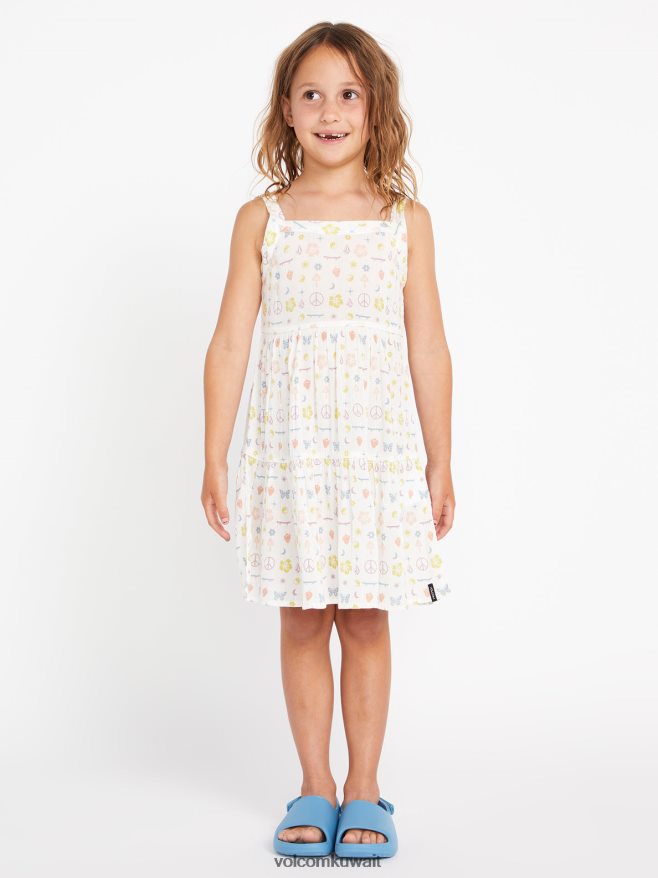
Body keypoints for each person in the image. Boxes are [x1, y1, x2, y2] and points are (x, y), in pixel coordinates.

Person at [202, 22, 454, 859]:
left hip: (375, 454)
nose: (330, 111)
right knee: (306, 617)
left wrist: (440, 459)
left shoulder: (405, 221)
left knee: (368, 619)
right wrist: (214, 453)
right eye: (311, 94)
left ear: (375, 108)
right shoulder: (262, 220)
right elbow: (231, 342)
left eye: (348, 94)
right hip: (294, 449)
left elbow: (428, 345)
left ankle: (365, 788)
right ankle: (314, 783)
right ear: (286, 109)